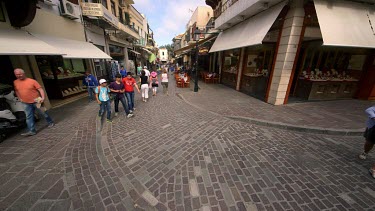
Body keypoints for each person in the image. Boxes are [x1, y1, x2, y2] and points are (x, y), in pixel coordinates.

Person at [13, 68, 54, 136]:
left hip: (37, 100)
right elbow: (16, 90)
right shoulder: (15, 82)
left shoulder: (32, 81)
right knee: (29, 116)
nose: (18, 76)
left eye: (20, 74)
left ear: (23, 73)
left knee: (44, 113)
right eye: (16, 74)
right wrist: (20, 98)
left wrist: (42, 97)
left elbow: (40, 89)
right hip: (25, 102)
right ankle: (32, 131)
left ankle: (50, 122)